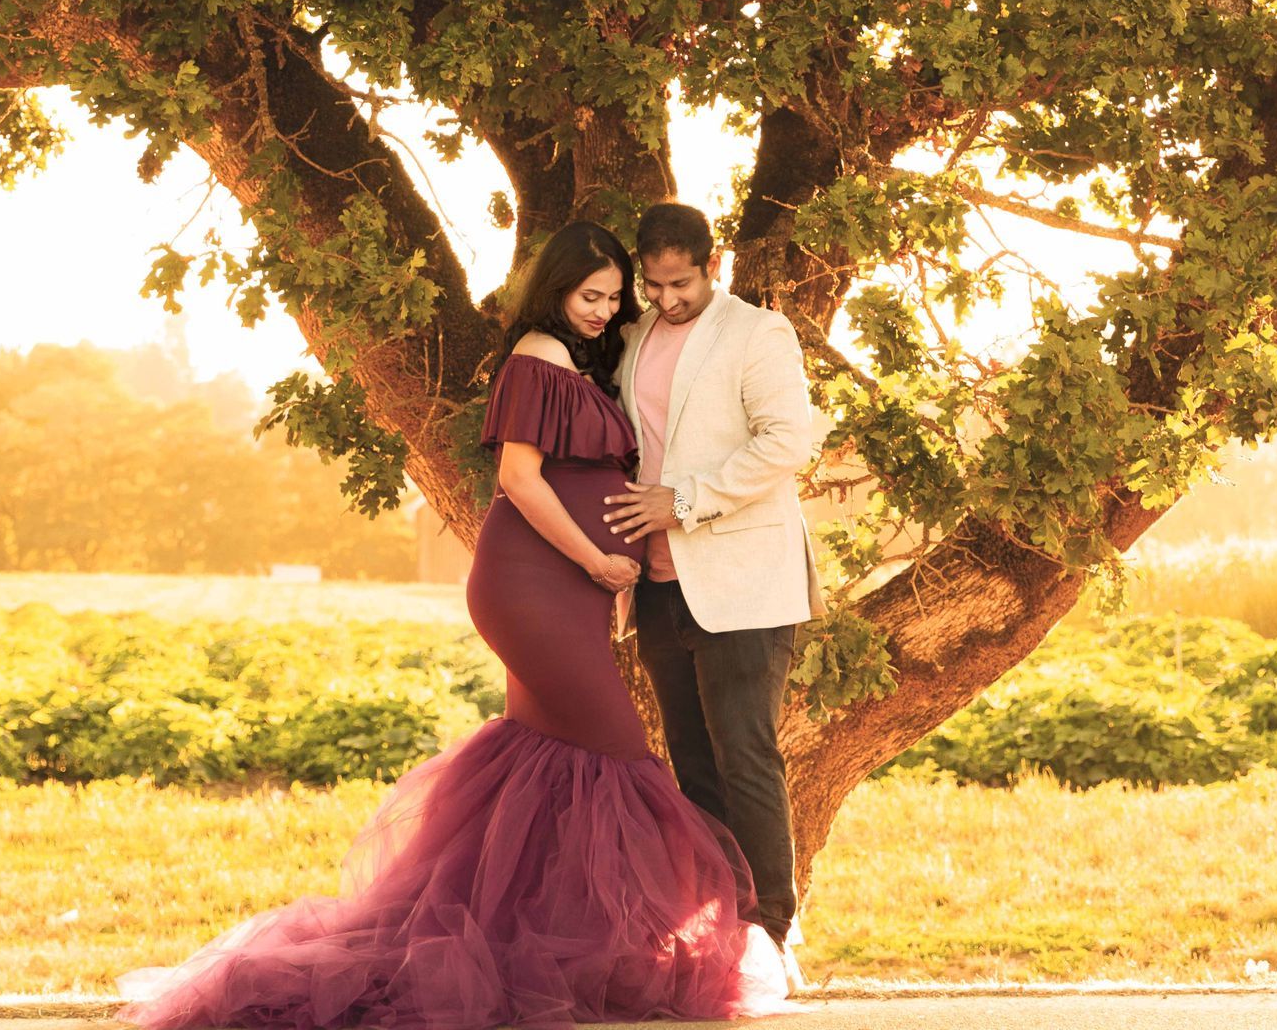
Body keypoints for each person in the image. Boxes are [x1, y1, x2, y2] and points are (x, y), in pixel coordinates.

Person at [119, 219, 787, 1030]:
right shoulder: (538, 356)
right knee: (621, 758)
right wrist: (599, 562)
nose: (607, 311)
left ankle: (536, 941)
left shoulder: (597, 353)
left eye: (617, 297)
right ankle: (657, 939)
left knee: (548, 762)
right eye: (593, 294)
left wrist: (605, 580)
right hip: (537, 579)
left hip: (576, 587)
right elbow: (519, 478)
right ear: (557, 288)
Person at [604, 202, 825, 961]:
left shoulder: (757, 332)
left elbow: (787, 440)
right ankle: (722, 931)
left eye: (681, 282)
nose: (667, 298)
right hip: (660, 585)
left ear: (712, 262)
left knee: (746, 753)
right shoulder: (631, 339)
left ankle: (776, 933)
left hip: (744, 580)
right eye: (655, 284)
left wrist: (687, 497)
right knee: (693, 764)